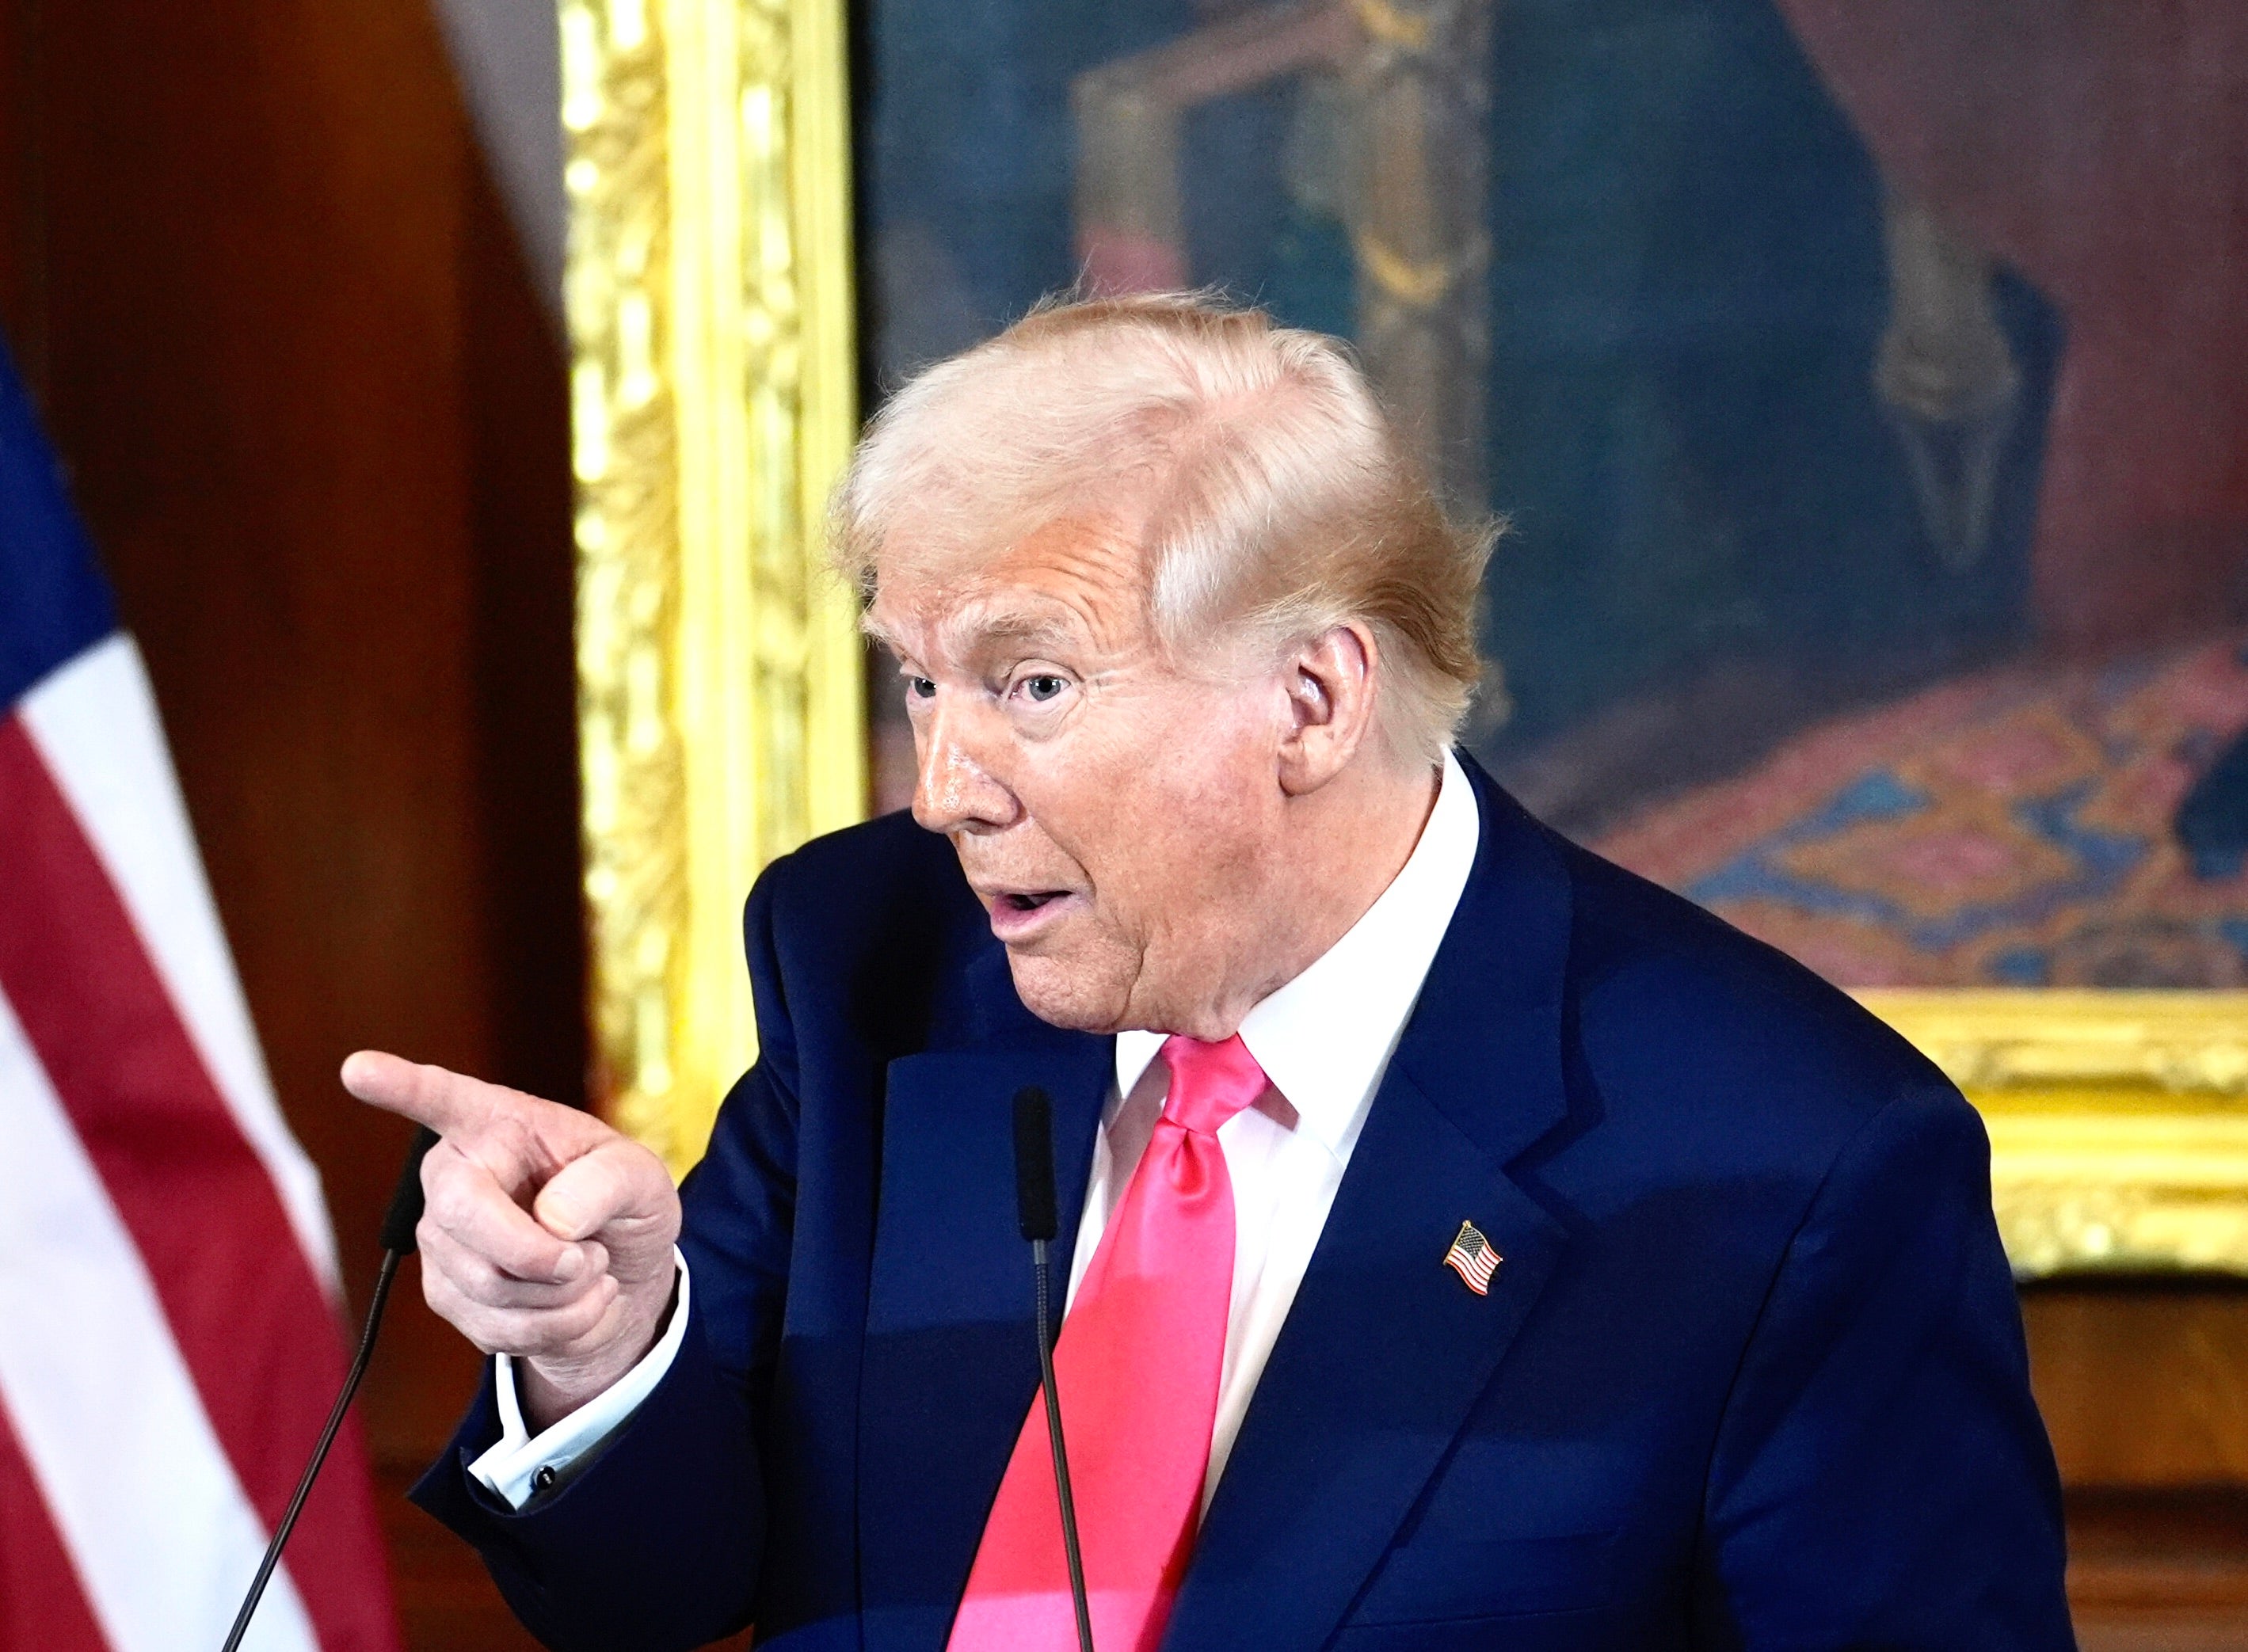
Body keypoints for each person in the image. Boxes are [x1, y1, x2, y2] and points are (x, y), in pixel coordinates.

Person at [349, 293, 2073, 1651]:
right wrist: (595, 1341)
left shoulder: (1795, 1160)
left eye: (1030, 686)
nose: (946, 786)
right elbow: (646, 1588)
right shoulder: (870, 965)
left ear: (1312, 702)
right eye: (920, 683)